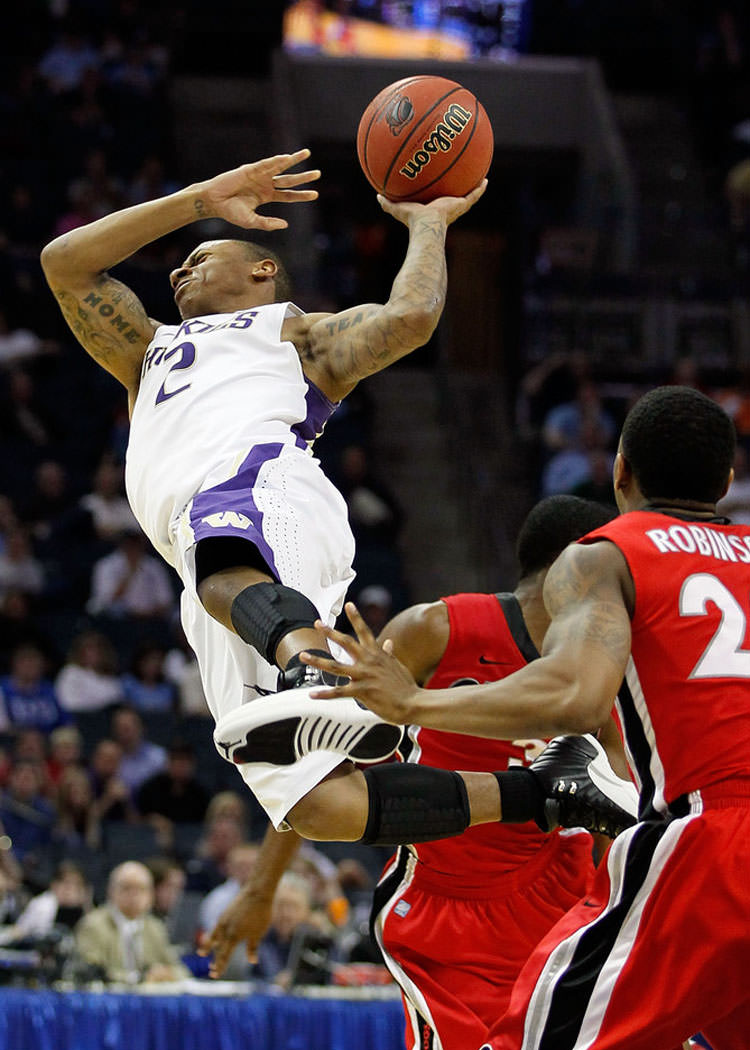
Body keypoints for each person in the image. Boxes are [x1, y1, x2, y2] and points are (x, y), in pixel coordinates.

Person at [39, 148, 487, 842]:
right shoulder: (146, 349)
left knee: (221, 563)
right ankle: (546, 791)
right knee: (313, 804)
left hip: (262, 497)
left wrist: (428, 224)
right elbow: (64, 263)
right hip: (217, 564)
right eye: (181, 263)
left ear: (264, 268)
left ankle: (312, 667)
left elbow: (412, 318)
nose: (179, 267)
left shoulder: (296, 334)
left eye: (201, 256)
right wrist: (199, 200)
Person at [304, 386, 750, 1049]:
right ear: (729, 480)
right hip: (457, 898)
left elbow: (575, 694)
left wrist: (415, 704)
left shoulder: (608, 553)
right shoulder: (444, 624)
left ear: (620, 471)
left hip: (708, 843)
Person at [202, 497, 633, 1043]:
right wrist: (263, 888)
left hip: (562, 895)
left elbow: (612, 806)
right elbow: (319, 762)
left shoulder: (606, 665)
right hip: (445, 906)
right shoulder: (437, 629)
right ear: (576, 567)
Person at [74, 860, 190, 984]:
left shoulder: (155, 927)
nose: (134, 895)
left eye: (141, 889)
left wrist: (167, 973)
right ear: (111, 891)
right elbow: (91, 972)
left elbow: (181, 970)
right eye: (127, 888)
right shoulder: (93, 925)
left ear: (151, 895)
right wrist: (140, 978)